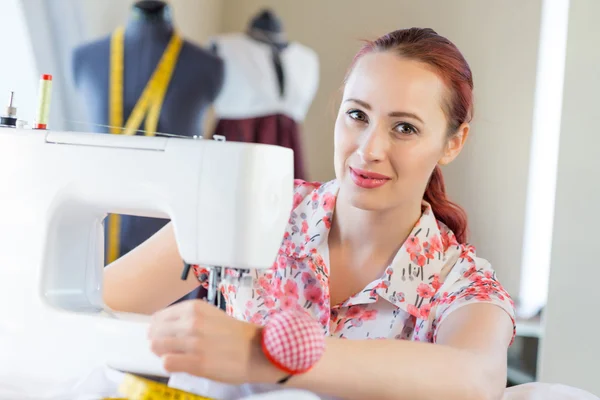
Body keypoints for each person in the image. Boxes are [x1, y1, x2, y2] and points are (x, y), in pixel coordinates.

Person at [104, 27, 516, 400]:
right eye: (357, 115)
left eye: (404, 128)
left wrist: (264, 356)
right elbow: (93, 309)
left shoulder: (462, 284)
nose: (369, 149)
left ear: (453, 142)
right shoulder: (249, 212)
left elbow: (477, 378)